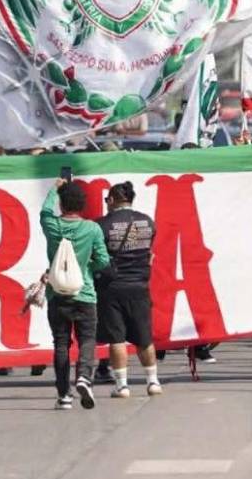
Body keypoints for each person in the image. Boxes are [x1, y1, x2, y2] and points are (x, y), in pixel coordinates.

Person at [40, 176, 110, 410]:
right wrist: (87, 265)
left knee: (61, 343)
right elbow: (103, 260)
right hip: (85, 293)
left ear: (62, 205)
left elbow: (44, 212)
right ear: (82, 205)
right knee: (87, 339)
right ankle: (84, 377)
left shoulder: (52, 226)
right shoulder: (92, 229)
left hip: (57, 294)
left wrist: (54, 189)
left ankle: (64, 395)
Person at [96, 181, 161, 398]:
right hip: (140, 285)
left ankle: (122, 385)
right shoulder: (147, 222)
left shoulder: (102, 224)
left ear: (112, 200)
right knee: (144, 337)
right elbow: (146, 250)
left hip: (112, 287)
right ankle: (153, 381)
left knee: (117, 338)